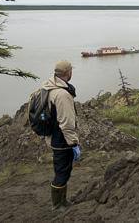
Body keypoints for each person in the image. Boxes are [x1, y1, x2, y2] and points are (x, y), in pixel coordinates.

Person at [42, 60, 81, 211]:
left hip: (53, 136)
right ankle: (58, 205)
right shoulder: (62, 94)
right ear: (69, 73)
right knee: (62, 172)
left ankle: (62, 202)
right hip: (61, 140)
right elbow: (66, 123)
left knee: (62, 170)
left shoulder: (49, 87)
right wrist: (73, 143)